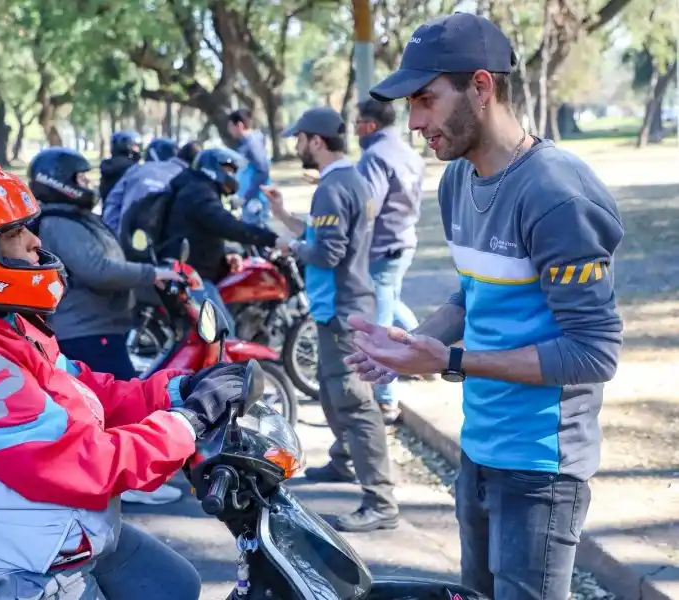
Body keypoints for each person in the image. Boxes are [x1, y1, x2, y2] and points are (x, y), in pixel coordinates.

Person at [0, 157, 250, 600]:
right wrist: (187, 424)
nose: (35, 242)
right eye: (13, 234)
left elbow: (84, 392)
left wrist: (177, 391)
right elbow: (84, 463)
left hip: (40, 540)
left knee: (173, 583)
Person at [345, 13, 624, 600]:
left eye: (426, 100)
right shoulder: (457, 183)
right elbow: (474, 294)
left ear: (481, 86)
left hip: (541, 467)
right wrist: (410, 344)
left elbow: (593, 353)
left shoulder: (555, 192)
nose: (416, 122)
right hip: (478, 450)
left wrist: (448, 361)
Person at [262, 107, 399, 532]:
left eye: (299, 139)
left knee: (354, 401)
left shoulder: (333, 187)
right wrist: (285, 216)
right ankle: (343, 461)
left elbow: (326, 252)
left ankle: (381, 500)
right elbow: (323, 235)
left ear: (316, 141)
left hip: (343, 310)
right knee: (331, 387)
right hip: (341, 306)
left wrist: (288, 246)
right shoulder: (346, 180)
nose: (296, 147)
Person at [28, 147, 189, 506]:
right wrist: (151, 273)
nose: (87, 185)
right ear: (58, 181)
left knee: (118, 399)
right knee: (119, 403)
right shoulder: (59, 222)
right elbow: (97, 269)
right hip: (85, 327)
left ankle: (131, 477)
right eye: (79, 178)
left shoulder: (74, 217)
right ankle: (132, 482)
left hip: (99, 323)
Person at [354, 98, 427, 424]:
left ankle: (386, 401)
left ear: (369, 125)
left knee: (380, 322)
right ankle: (425, 352)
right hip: (405, 241)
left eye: (357, 123)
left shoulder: (374, 157)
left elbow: (368, 208)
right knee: (392, 300)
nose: (355, 129)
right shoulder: (410, 153)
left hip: (382, 247)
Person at [162, 147, 278, 337]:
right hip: (190, 276)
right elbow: (227, 225)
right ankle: (220, 367)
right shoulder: (199, 192)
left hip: (190, 269)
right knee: (223, 334)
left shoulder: (196, 187)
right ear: (212, 169)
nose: (231, 176)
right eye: (228, 171)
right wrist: (271, 238)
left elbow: (199, 233)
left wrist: (225, 255)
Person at [102, 139, 201, 233]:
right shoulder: (187, 177)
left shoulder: (135, 170)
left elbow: (113, 203)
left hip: (126, 237)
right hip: (165, 244)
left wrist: (115, 237)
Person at [227, 109, 273, 226]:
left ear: (240, 125)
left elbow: (262, 170)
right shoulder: (246, 143)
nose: (229, 130)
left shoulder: (252, 143)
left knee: (257, 234)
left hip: (255, 199)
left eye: (231, 126)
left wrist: (247, 196)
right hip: (249, 198)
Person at [99, 130, 143, 206]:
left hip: (107, 211)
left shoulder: (106, 164)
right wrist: (137, 156)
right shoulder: (130, 167)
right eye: (133, 146)